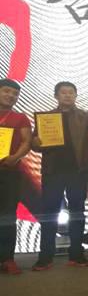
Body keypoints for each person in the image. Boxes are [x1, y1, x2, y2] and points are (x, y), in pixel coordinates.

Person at [32, 82, 88, 271]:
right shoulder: (46, 118)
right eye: (63, 92)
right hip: (53, 171)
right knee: (49, 213)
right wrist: (36, 142)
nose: (67, 95)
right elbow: (35, 145)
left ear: (75, 96)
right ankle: (45, 256)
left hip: (77, 171)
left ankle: (77, 254)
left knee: (77, 212)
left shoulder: (84, 116)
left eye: (71, 92)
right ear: (56, 96)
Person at [0, 79, 32, 275]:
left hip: (10, 172)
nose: (10, 96)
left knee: (8, 216)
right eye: (6, 91)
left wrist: (15, 157)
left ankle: (7, 259)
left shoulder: (20, 118)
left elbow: (27, 141)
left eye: (15, 94)